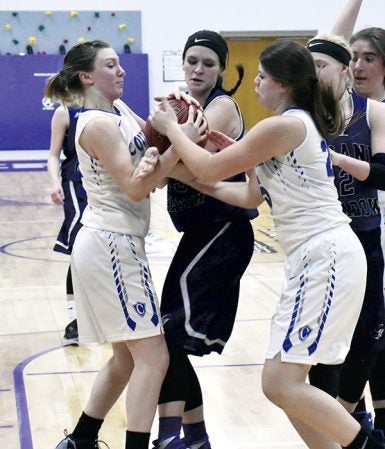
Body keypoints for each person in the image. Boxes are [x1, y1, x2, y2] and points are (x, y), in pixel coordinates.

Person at [145, 39, 385, 449]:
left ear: (283, 84)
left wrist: (171, 131)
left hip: (326, 255)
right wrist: (188, 171)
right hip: (312, 259)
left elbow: (206, 165)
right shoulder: (283, 127)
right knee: (283, 385)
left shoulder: (286, 125)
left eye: (261, 76)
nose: (254, 82)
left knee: (280, 384)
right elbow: (248, 197)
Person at [44, 39, 206, 449]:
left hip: (119, 243)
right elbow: (136, 187)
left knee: (126, 358)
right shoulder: (95, 123)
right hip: (110, 245)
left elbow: (153, 146)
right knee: (155, 357)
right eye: (111, 65)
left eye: (120, 64)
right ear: (86, 76)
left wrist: (173, 120)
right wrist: (176, 144)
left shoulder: (118, 111)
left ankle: (80, 440)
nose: (122, 71)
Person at [152, 30, 257, 449]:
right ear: (182, 62)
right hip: (199, 234)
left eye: (208, 63)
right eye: (192, 60)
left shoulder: (222, 107)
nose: (198, 69)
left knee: (166, 337)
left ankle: (172, 438)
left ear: (222, 69)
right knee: (168, 338)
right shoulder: (182, 107)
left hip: (223, 231)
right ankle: (194, 438)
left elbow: (194, 164)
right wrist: (159, 158)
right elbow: (169, 164)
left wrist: (159, 155)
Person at [306, 32, 385, 435]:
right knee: (327, 342)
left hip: (366, 236)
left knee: (372, 333)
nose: (358, 65)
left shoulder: (372, 112)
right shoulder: (308, 116)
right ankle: (340, 426)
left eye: (368, 58)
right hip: (322, 239)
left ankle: (350, 420)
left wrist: (335, 159)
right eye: (353, 57)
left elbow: (384, 174)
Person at [47, 103, 86, 345]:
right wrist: (54, 183)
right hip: (76, 183)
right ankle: (75, 320)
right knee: (80, 250)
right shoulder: (65, 112)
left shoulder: (113, 107)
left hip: (108, 184)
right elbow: (53, 155)